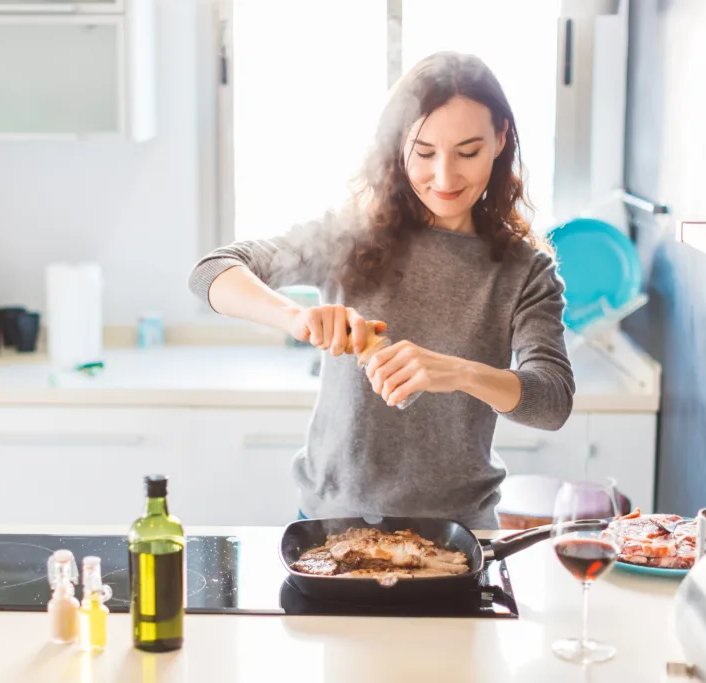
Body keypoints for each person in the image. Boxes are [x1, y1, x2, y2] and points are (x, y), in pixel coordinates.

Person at [188, 51, 574, 529]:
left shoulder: (524, 270)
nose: (445, 177)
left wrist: (459, 373)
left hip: (461, 533)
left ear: (500, 139)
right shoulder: (351, 238)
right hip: (332, 523)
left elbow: (553, 401)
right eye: (425, 152)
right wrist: (298, 319)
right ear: (397, 145)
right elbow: (211, 272)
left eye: (468, 152)